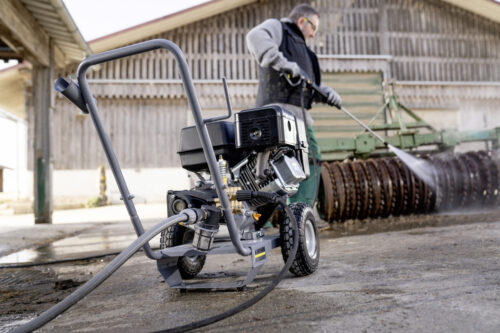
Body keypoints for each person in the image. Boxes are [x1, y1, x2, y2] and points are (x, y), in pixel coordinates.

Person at [246, 3, 342, 207]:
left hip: (301, 119)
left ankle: (301, 209)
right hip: (275, 114)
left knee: (311, 157)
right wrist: (282, 63)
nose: (314, 34)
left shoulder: (308, 55)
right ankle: (264, 217)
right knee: (267, 165)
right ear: (302, 21)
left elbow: (309, 86)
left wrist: (326, 93)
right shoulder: (278, 28)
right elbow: (254, 36)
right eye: (313, 27)